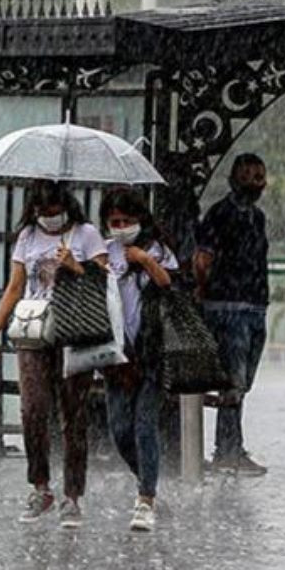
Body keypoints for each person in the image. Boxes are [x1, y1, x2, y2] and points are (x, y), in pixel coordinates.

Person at [0, 180, 108, 528]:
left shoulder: (86, 235)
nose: (48, 219)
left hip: (74, 331)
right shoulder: (27, 237)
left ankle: (72, 494)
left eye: (54, 212)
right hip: (35, 331)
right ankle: (40, 485)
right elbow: (15, 286)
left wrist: (75, 266)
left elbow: (104, 281)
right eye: (42, 213)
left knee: (73, 414)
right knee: (33, 409)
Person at [99, 189, 177, 532]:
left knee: (145, 425)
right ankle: (148, 479)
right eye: (114, 222)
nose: (120, 227)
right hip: (117, 355)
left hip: (152, 351)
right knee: (119, 429)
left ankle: (146, 498)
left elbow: (169, 283)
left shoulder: (157, 248)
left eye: (127, 221)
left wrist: (144, 259)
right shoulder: (103, 251)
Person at [194, 153, 270, 476]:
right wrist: (205, 292)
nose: (256, 182)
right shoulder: (219, 215)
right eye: (249, 175)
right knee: (233, 380)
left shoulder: (258, 218)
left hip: (254, 307)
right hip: (227, 307)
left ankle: (230, 445)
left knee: (243, 380)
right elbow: (202, 260)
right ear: (234, 179)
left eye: (260, 176)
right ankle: (227, 449)